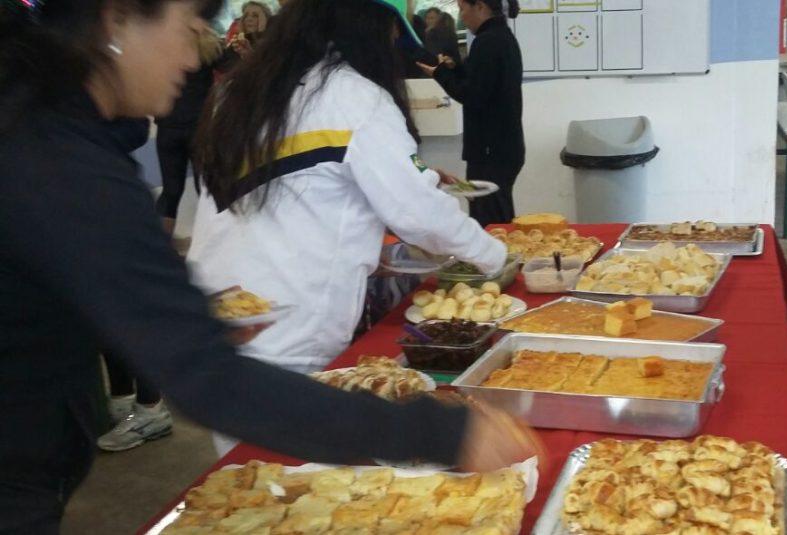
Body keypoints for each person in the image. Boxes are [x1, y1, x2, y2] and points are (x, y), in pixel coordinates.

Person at [0, 0, 540, 531]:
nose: (192, 56)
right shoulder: (56, 157)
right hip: (265, 354)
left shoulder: (227, 92)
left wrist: (186, 312)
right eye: (188, 25)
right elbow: (208, 378)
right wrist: (443, 432)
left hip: (238, 329)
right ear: (117, 17)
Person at [189, 0, 508, 455]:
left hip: (220, 328)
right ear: (364, 27)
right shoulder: (353, 96)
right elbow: (421, 213)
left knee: (247, 476)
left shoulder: (241, 89)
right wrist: (496, 256)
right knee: (293, 484)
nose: (392, 48)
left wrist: (363, 245)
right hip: (292, 336)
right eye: (391, 34)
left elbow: (287, 197)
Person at [418, 0, 525, 228]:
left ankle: (496, 252)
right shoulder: (500, 37)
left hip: (490, 152)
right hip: (501, 148)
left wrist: (440, 74)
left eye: (463, 8)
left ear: (480, 7)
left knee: (490, 223)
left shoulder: (488, 42)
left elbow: (472, 94)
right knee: (494, 216)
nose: (461, 15)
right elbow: (481, 82)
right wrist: (454, 69)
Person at [155, 24, 222, 234]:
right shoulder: (210, 48)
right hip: (198, 128)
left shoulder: (164, 47)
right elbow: (236, 69)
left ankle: (162, 245)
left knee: (170, 192)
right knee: (206, 190)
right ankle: (207, 242)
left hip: (168, 127)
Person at [216, 1, 271, 75]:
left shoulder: (273, 42)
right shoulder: (240, 42)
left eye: (255, 16)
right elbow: (223, 66)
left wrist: (261, 32)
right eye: (246, 16)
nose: (249, 19)